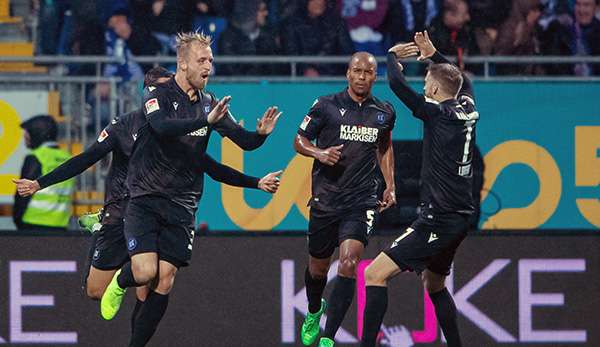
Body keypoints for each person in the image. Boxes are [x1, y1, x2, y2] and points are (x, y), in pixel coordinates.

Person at [12, 67, 282, 332]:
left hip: (152, 213)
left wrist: (255, 182)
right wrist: (39, 183)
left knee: (152, 282)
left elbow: (209, 166)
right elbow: (86, 158)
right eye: (165, 90)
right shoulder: (123, 126)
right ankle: (101, 232)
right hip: (120, 214)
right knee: (96, 291)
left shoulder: (177, 130)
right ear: (150, 94)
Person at [100, 32, 281, 347]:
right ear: (182, 64)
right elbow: (161, 127)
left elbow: (243, 141)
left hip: (183, 205)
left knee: (165, 280)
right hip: (146, 198)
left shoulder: (210, 103)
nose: (209, 66)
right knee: (144, 272)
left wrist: (260, 135)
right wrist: (203, 122)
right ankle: (120, 280)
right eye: (202, 60)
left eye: (211, 60)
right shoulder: (159, 95)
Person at [360, 31, 479, 347]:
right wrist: (434, 55)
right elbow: (462, 82)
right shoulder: (467, 108)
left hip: (437, 219)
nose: (425, 85)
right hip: (461, 217)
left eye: (428, 80)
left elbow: (398, 86)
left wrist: (391, 56)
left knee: (374, 274)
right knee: (435, 283)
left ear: (437, 89)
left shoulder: (437, 114)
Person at [294, 51, 397, 347]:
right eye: (357, 71)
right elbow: (298, 140)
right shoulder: (325, 105)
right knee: (317, 270)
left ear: (374, 76)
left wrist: (390, 184)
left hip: (361, 199)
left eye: (367, 72)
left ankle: (328, 337)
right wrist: (319, 153)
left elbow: (385, 146)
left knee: (350, 262)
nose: (361, 77)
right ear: (348, 73)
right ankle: (315, 310)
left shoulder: (385, 112)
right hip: (326, 199)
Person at [12, 115, 74, 231]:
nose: (25, 137)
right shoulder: (67, 157)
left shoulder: (36, 157)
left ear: (37, 133)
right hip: (60, 224)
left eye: (27, 133)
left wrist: (17, 219)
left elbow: (22, 193)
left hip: (33, 223)